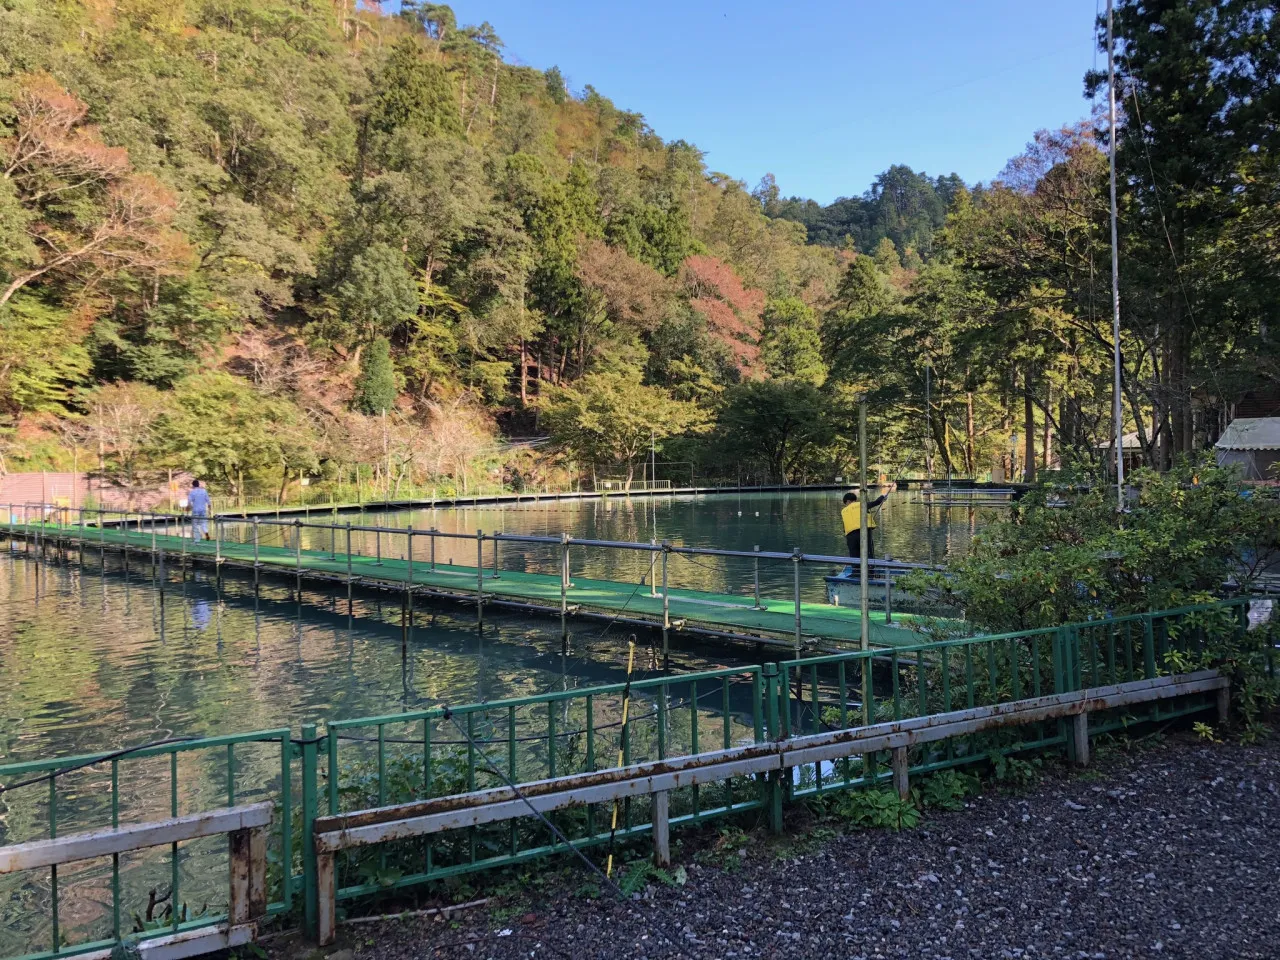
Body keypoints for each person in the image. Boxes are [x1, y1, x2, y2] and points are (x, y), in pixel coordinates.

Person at [841, 486, 891, 567]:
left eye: (845, 503)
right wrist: (883, 496)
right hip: (864, 533)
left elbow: (845, 526)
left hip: (850, 536)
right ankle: (870, 572)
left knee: (854, 554)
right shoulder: (861, 504)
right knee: (868, 552)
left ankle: (855, 573)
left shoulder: (843, 511)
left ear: (848, 501)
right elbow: (876, 502)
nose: (846, 505)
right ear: (854, 500)